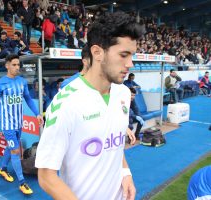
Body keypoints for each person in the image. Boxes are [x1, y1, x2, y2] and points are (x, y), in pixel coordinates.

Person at [35, 11, 145, 200]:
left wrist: (125, 173)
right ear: (97, 52)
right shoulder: (66, 103)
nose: (130, 64)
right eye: (124, 55)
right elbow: (46, 176)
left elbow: (115, 144)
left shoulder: (123, 93)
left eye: (132, 55)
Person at [0, 54, 44, 195]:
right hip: (8, 126)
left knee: (12, 147)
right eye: (14, 65)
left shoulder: (22, 82)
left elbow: (28, 99)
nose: (17, 67)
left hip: (19, 123)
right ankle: (22, 183)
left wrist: (37, 113)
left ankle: (3, 168)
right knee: (16, 151)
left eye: (18, 65)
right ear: (7, 65)